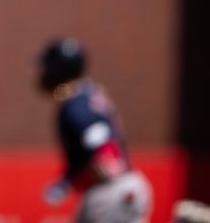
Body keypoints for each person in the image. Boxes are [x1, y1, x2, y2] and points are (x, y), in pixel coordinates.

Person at [36, 37, 153, 223]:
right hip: (120, 186)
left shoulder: (76, 104)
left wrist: (110, 181)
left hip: (111, 191)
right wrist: (66, 182)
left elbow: (102, 143)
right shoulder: (86, 93)